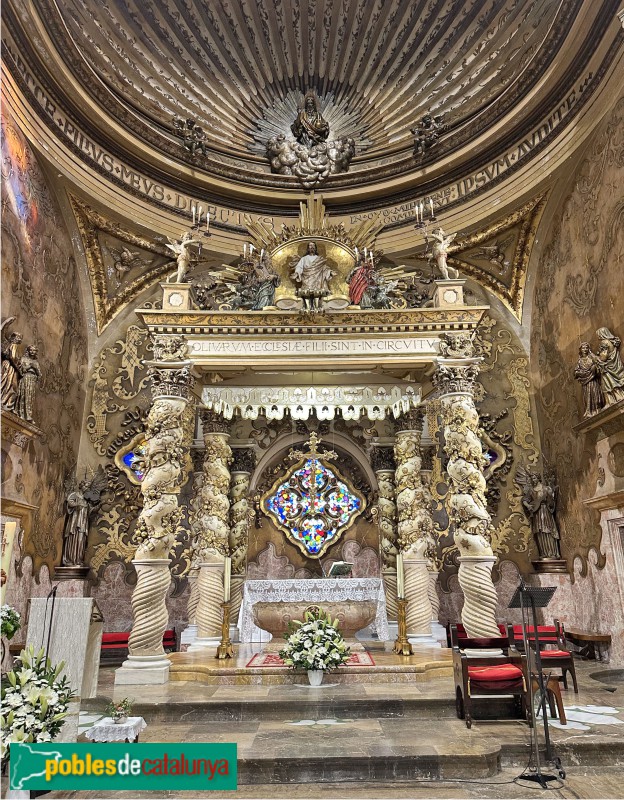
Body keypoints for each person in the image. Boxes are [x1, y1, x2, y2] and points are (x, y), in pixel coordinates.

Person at [521, 472, 561, 559]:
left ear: (538, 478)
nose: (533, 480)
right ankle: (544, 552)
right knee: (539, 532)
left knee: (548, 530)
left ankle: (552, 552)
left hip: (545, 511)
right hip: (537, 513)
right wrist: (528, 505)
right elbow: (525, 500)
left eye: (534, 478)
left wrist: (550, 496)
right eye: (532, 479)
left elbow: (551, 503)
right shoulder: (531, 490)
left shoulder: (546, 488)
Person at [291, 241, 333, 310]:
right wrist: (297, 273)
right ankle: (307, 306)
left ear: (315, 248)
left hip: (317, 280)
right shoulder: (304, 259)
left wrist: (330, 272)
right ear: (308, 248)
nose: (312, 247)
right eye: (310, 246)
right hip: (307, 280)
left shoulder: (319, 259)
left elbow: (324, 268)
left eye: (313, 246)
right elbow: (299, 267)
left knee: (317, 294)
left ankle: (317, 306)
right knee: (306, 294)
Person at [574, 342, 604, 417]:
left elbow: (599, 364)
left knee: (595, 395)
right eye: (583, 348)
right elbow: (575, 372)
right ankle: (590, 411)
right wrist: (581, 373)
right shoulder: (580, 361)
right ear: (580, 350)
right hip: (585, 382)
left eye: (586, 348)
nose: (585, 349)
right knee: (587, 397)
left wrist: (595, 368)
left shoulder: (592, 357)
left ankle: (597, 409)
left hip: (593, 380)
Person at [596, 327, 624, 405]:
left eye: (598, 335)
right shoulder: (611, 341)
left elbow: (604, 357)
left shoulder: (604, 342)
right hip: (615, 364)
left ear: (602, 334)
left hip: (607, 367)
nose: (598, 337)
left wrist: (597, 359)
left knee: (608, 383)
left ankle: (614, 398)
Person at [14, 345, 40, 423]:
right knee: (23, 394)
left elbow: (39, 374)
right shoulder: (23, 359)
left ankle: (28, 415)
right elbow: (21, 369)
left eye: (34, 350)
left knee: (29, 397)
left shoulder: (36, 362)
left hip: (32, 380)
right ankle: (20, 412)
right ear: (28, 351)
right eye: (31, 350)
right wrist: (29, 366)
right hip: (25, 378)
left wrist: (35, 368)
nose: (32, 352)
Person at [1, 330, 23, 410]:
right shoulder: (14, 345)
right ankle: (6, 403)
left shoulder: (10, 345)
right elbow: (12, 357)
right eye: (19, 338)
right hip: (10, 367)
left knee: (5, 383)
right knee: (11, 385)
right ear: (14, 338)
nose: (20, 340)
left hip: (7, 365)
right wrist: (18, 368)